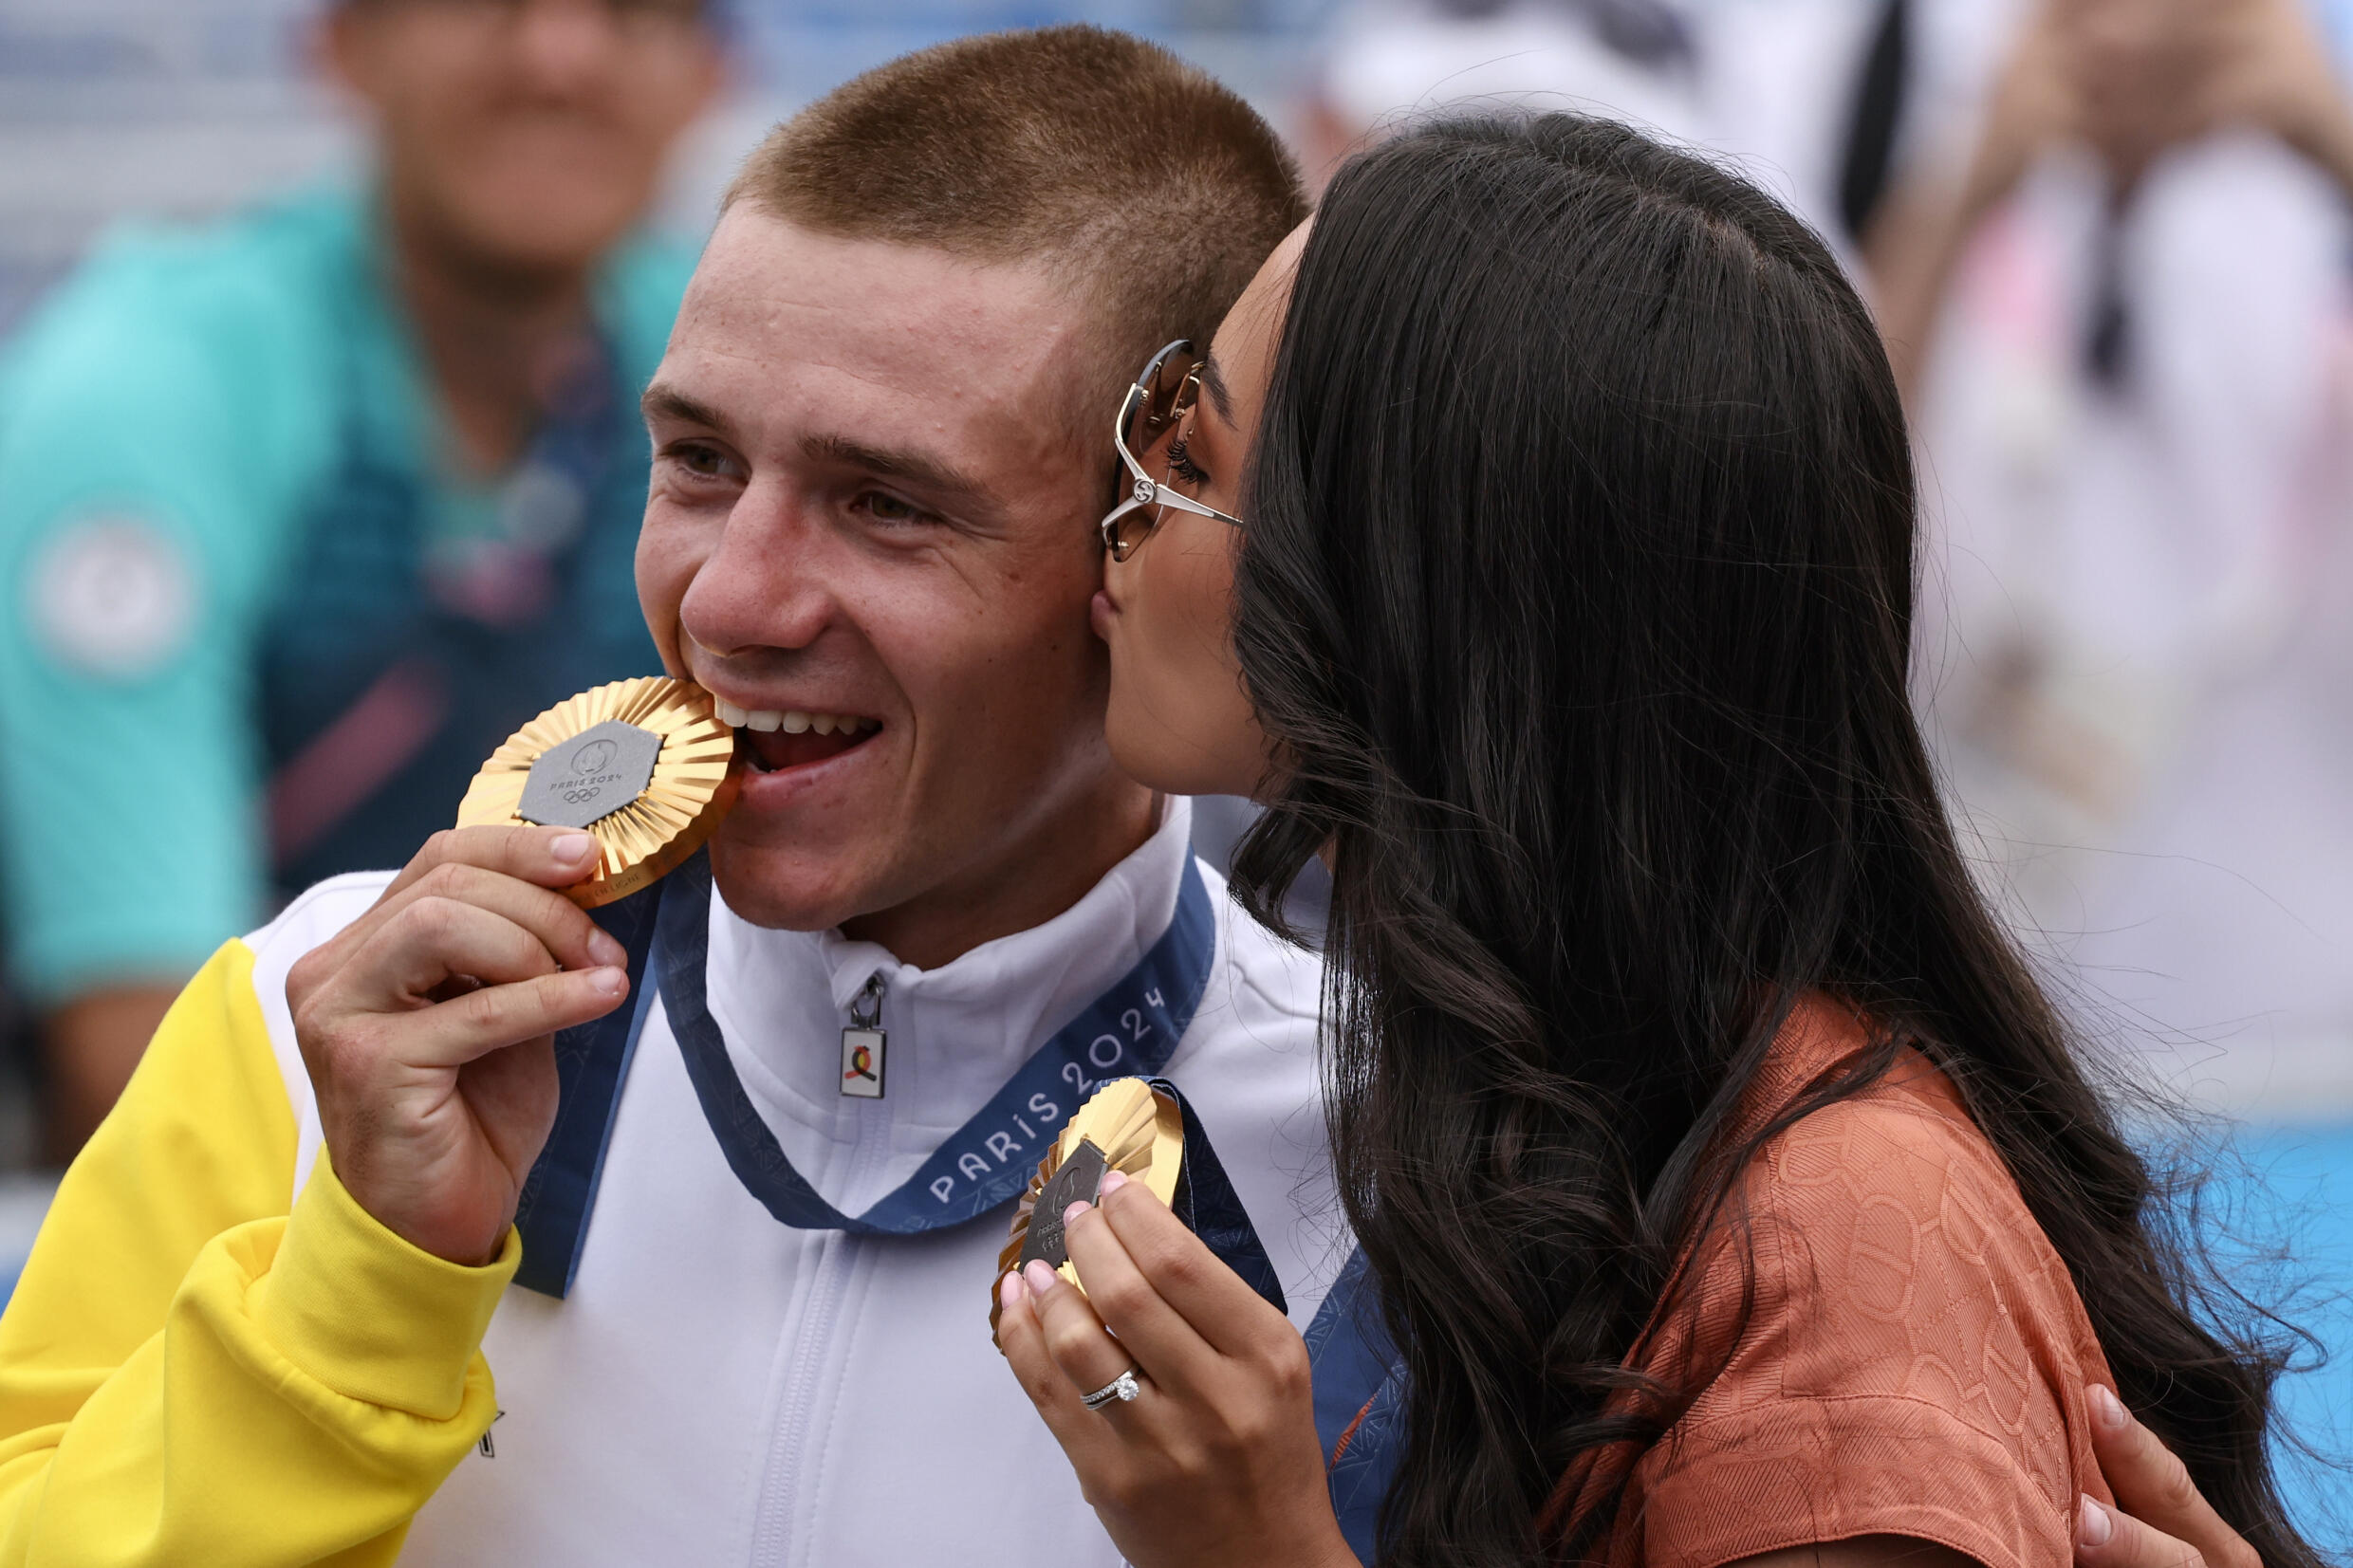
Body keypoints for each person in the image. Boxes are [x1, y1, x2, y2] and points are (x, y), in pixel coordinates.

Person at [0, 28, 1334, 1566]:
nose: (732, 599)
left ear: (1146, 540)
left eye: (886, 503)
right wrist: (354, 1295)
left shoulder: (1400, 1162)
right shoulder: (301, 1027)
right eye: (697, 458)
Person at [991, 115, 2321, 1568]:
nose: (1120, 506)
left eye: (1190, 444)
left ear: (1427, 600)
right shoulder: (1593, 1104)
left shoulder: (1840, 1249)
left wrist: (1255, 1553)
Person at [0, 0, 721, 1158]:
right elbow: (138, 1055)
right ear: (343, 43)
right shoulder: (145, 391)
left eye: (635, 12)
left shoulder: (734, 359)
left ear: (708, 72)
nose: (560, 54)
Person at [1857, 0, 2353, 1116]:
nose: (2134, 30)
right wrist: (1964, 185)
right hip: (2004, 1063)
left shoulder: (2306, 263)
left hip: (2312, 1065)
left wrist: (2331, 143)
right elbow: (1814, 510)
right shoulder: (1959, 244)